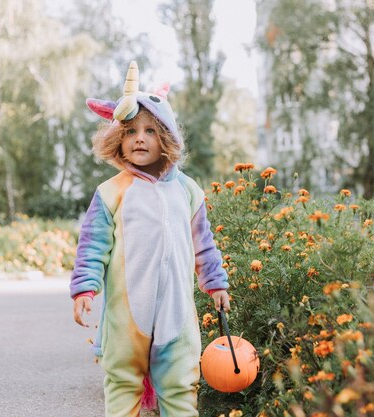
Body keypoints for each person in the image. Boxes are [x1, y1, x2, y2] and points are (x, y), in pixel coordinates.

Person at [69, 61, 230, 417]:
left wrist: (216, 283)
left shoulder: (188, 191)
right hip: (125, 321)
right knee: (123, 384)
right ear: (118, 140)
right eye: (130, 132)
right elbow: (92, 247)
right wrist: (84, 288)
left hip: (177, 316)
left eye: (151, 131)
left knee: (180, 387)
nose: (140, 138)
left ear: (167, 138)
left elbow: (203, 244)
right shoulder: (111, 192)